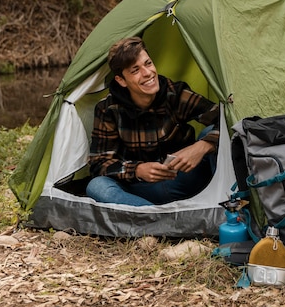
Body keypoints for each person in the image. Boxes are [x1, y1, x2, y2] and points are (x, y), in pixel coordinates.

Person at [86, 36, 219, 206]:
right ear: (121, 80)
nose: (148, 73)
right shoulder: (108, 109)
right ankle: (156, 218)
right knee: (97, 186)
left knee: (211, 135)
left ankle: (221, 205)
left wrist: (201, 147)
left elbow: (226, 118)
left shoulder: (175, 94)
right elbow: (99, 163)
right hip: (141, 190)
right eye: (135, 70)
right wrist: (138, 170)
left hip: (186, 179)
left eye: (148, 63)